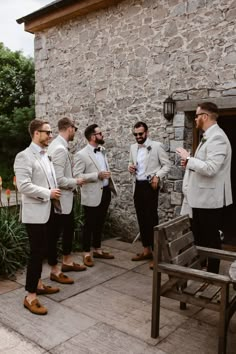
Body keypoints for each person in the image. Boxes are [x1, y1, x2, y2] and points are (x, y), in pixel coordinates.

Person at [176, 102, 232, 274]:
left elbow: (211, 168)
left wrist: (189, 159)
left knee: (211, 240)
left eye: (197, 116)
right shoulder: (209, 135)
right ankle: (201, 270)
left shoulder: (218, 137)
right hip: (201, 199)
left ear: (205, 117)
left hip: (209, 200)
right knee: (201, 238)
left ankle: (212, 274)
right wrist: (190, 161)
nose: (195, 119)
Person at [14, 119, 62, 315]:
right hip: (34, 213)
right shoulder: (24, 156)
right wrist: (48, 193)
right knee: (36, 254)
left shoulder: (46, 155)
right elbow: (23, 185)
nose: (51, 136)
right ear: (36, 133)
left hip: (49, 210)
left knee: (44, 251)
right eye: (47, 132)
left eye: (50, 133)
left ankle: (39, 284)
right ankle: (30, 296)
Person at [47, 117, 87, 281]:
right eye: (75, 129)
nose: (75, 132)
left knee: (69, 229)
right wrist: (76, 182)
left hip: (65, 199)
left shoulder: (58, 146)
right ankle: (55, 270)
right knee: (54, 235)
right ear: (69, 128)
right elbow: (58, 179)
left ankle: (67, 261)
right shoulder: (59, 149)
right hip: (60, 201)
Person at [73, 124, 117, 267]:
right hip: (91, 195)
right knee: (89, 225)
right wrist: (96, 175)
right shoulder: (81, 154)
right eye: (100, 133)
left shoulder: (102, 150)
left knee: (100, 222)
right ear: (93, 136)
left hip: (105, 191)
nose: (102, 135)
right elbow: (77, 175)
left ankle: (98, 249)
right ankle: (86, 253)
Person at [128, 121, 171, 268]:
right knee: (141, 218)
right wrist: (130, 167)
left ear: (147, 132)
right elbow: (131, 163)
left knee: (152, 219)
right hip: (137, 186)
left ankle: (156, 255)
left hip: (150, 186)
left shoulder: (157, 146)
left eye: (140, 134)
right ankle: (146, 249)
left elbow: (167, 165)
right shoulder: (133, 147)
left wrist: (157, 176)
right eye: (136, 134)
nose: (138, 136)